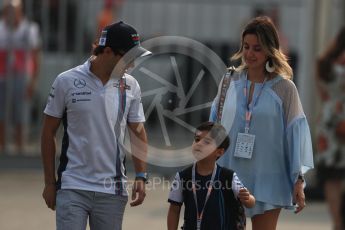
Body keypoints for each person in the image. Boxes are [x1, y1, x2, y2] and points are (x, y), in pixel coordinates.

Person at [41, 21, 151, 230]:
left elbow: (138, 132)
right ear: (107, 51)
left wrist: (141, 176)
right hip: (72, 186)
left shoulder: (131, 85)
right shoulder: (66, 81)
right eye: (129, 58)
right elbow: (48, 132)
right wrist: (49, 182)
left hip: (112, 190)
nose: (133, 65)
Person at [209, 16, 314, 230]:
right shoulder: (229, 81)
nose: (249, 54)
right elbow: (213, 127)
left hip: (269, 175)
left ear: (270, 50)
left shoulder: (285, 89)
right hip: (229, 173)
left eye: (257, 48)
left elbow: (295, 135)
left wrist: (298, 180)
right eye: (246, 47)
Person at [167, 121, 255, 230]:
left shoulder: (228, 176)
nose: (199, 144)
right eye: (197, 139)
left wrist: (248, 198)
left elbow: (250, 202)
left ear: (219, 152)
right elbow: (174, 210)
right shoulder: (182, 177)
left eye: (206, 142)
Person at [0, 0, 41, 153]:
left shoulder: (30, 29)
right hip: (2, 76)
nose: (10, 15)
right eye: (8, 11)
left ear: (20, 12)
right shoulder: (1, 28)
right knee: (1, 114)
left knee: (21, 114)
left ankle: (20, 148)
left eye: (13, 11)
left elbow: (37, 56)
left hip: (22, 77)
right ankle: (3, 149)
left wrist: (33, 81)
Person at [315, 26, 345, 230]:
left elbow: (322, 94)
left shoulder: (324, 63)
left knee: (332, 177)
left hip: (328, 123)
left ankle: (337, 223)